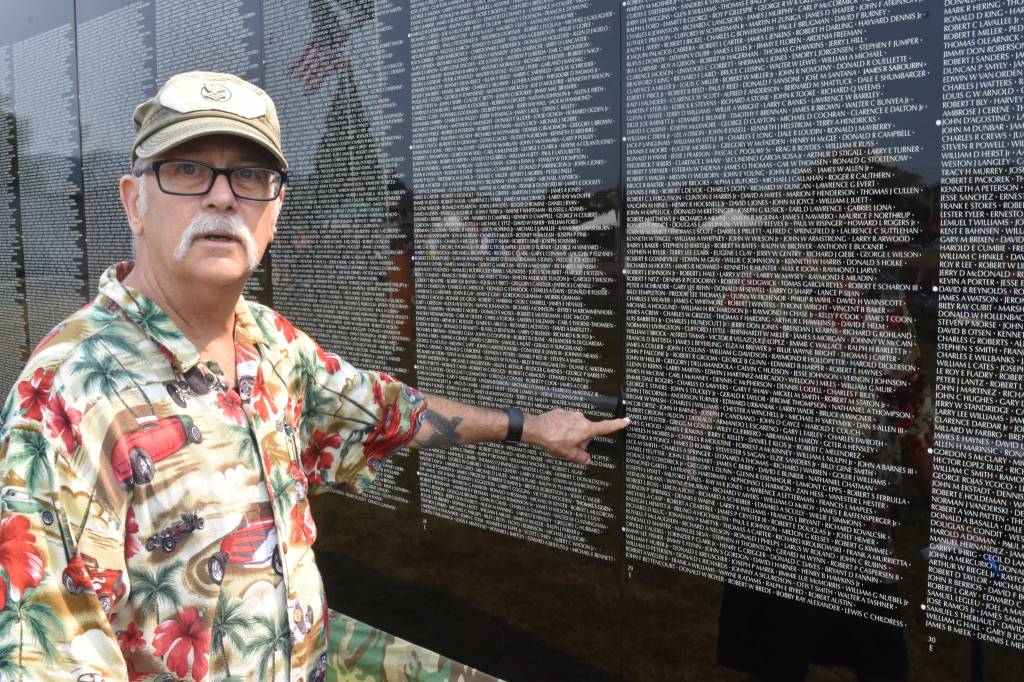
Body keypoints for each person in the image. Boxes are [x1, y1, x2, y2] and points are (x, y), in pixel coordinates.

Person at [0, 71, 629, 681]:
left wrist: (529, 427)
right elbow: (50, 652)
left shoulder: (269, 343)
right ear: (135, 202)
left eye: (249, 175)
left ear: (275, 210)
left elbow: (386, 411)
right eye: (187, 169)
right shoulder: (66, 396)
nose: (222, 196)